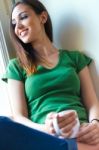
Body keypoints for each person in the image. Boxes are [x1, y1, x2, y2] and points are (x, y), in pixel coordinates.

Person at [1, 0, 99, 149]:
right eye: (14, 23)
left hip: (79, 133)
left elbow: (92, 103)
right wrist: (47, 129)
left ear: (43, 18)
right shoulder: (17, 66)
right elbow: (19, 117)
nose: (18, 27)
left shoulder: (74, 58)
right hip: (43, 136)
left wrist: (95, 124)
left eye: (23, 17)